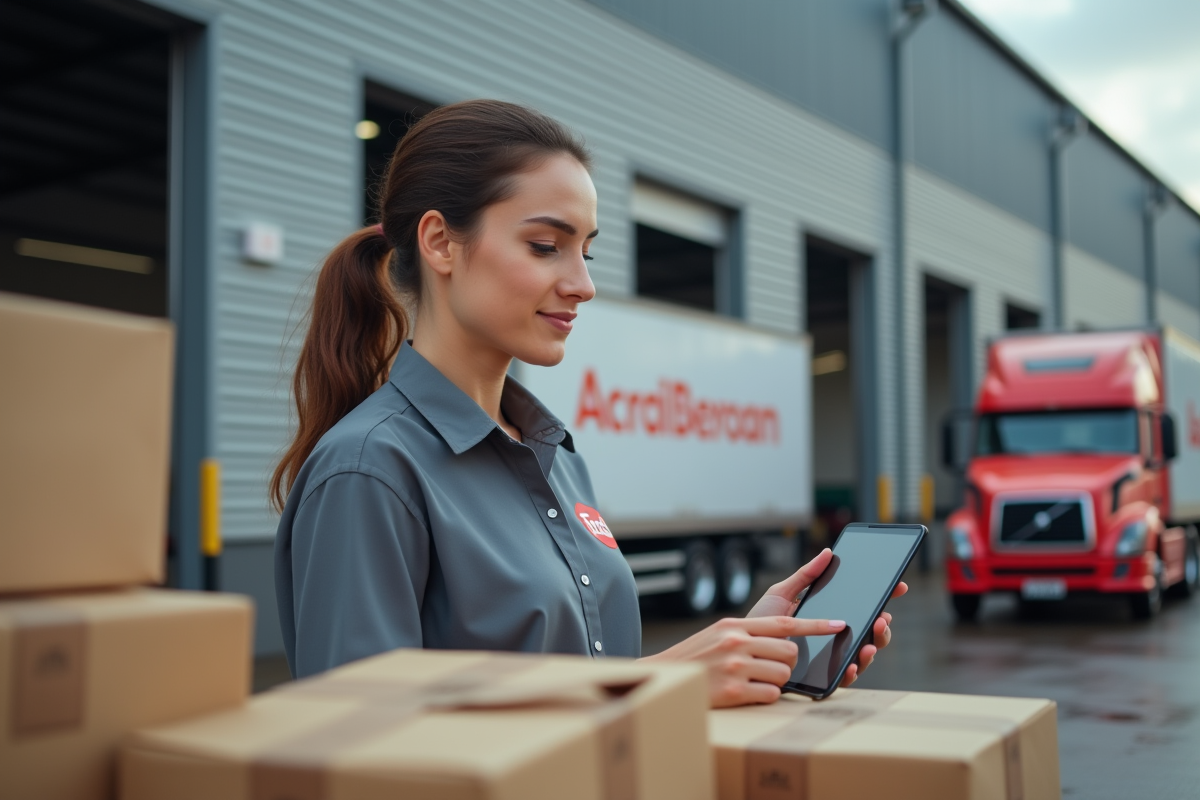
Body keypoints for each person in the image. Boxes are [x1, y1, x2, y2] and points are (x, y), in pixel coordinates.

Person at [271, 99, 904, 707]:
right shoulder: (369, 470)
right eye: (546, 246)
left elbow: (586, 683)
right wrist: (661, 682)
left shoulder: (556, 455)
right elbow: (358, 743)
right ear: (440, 243)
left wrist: (749, 646)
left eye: (587, 250)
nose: (584, 284)